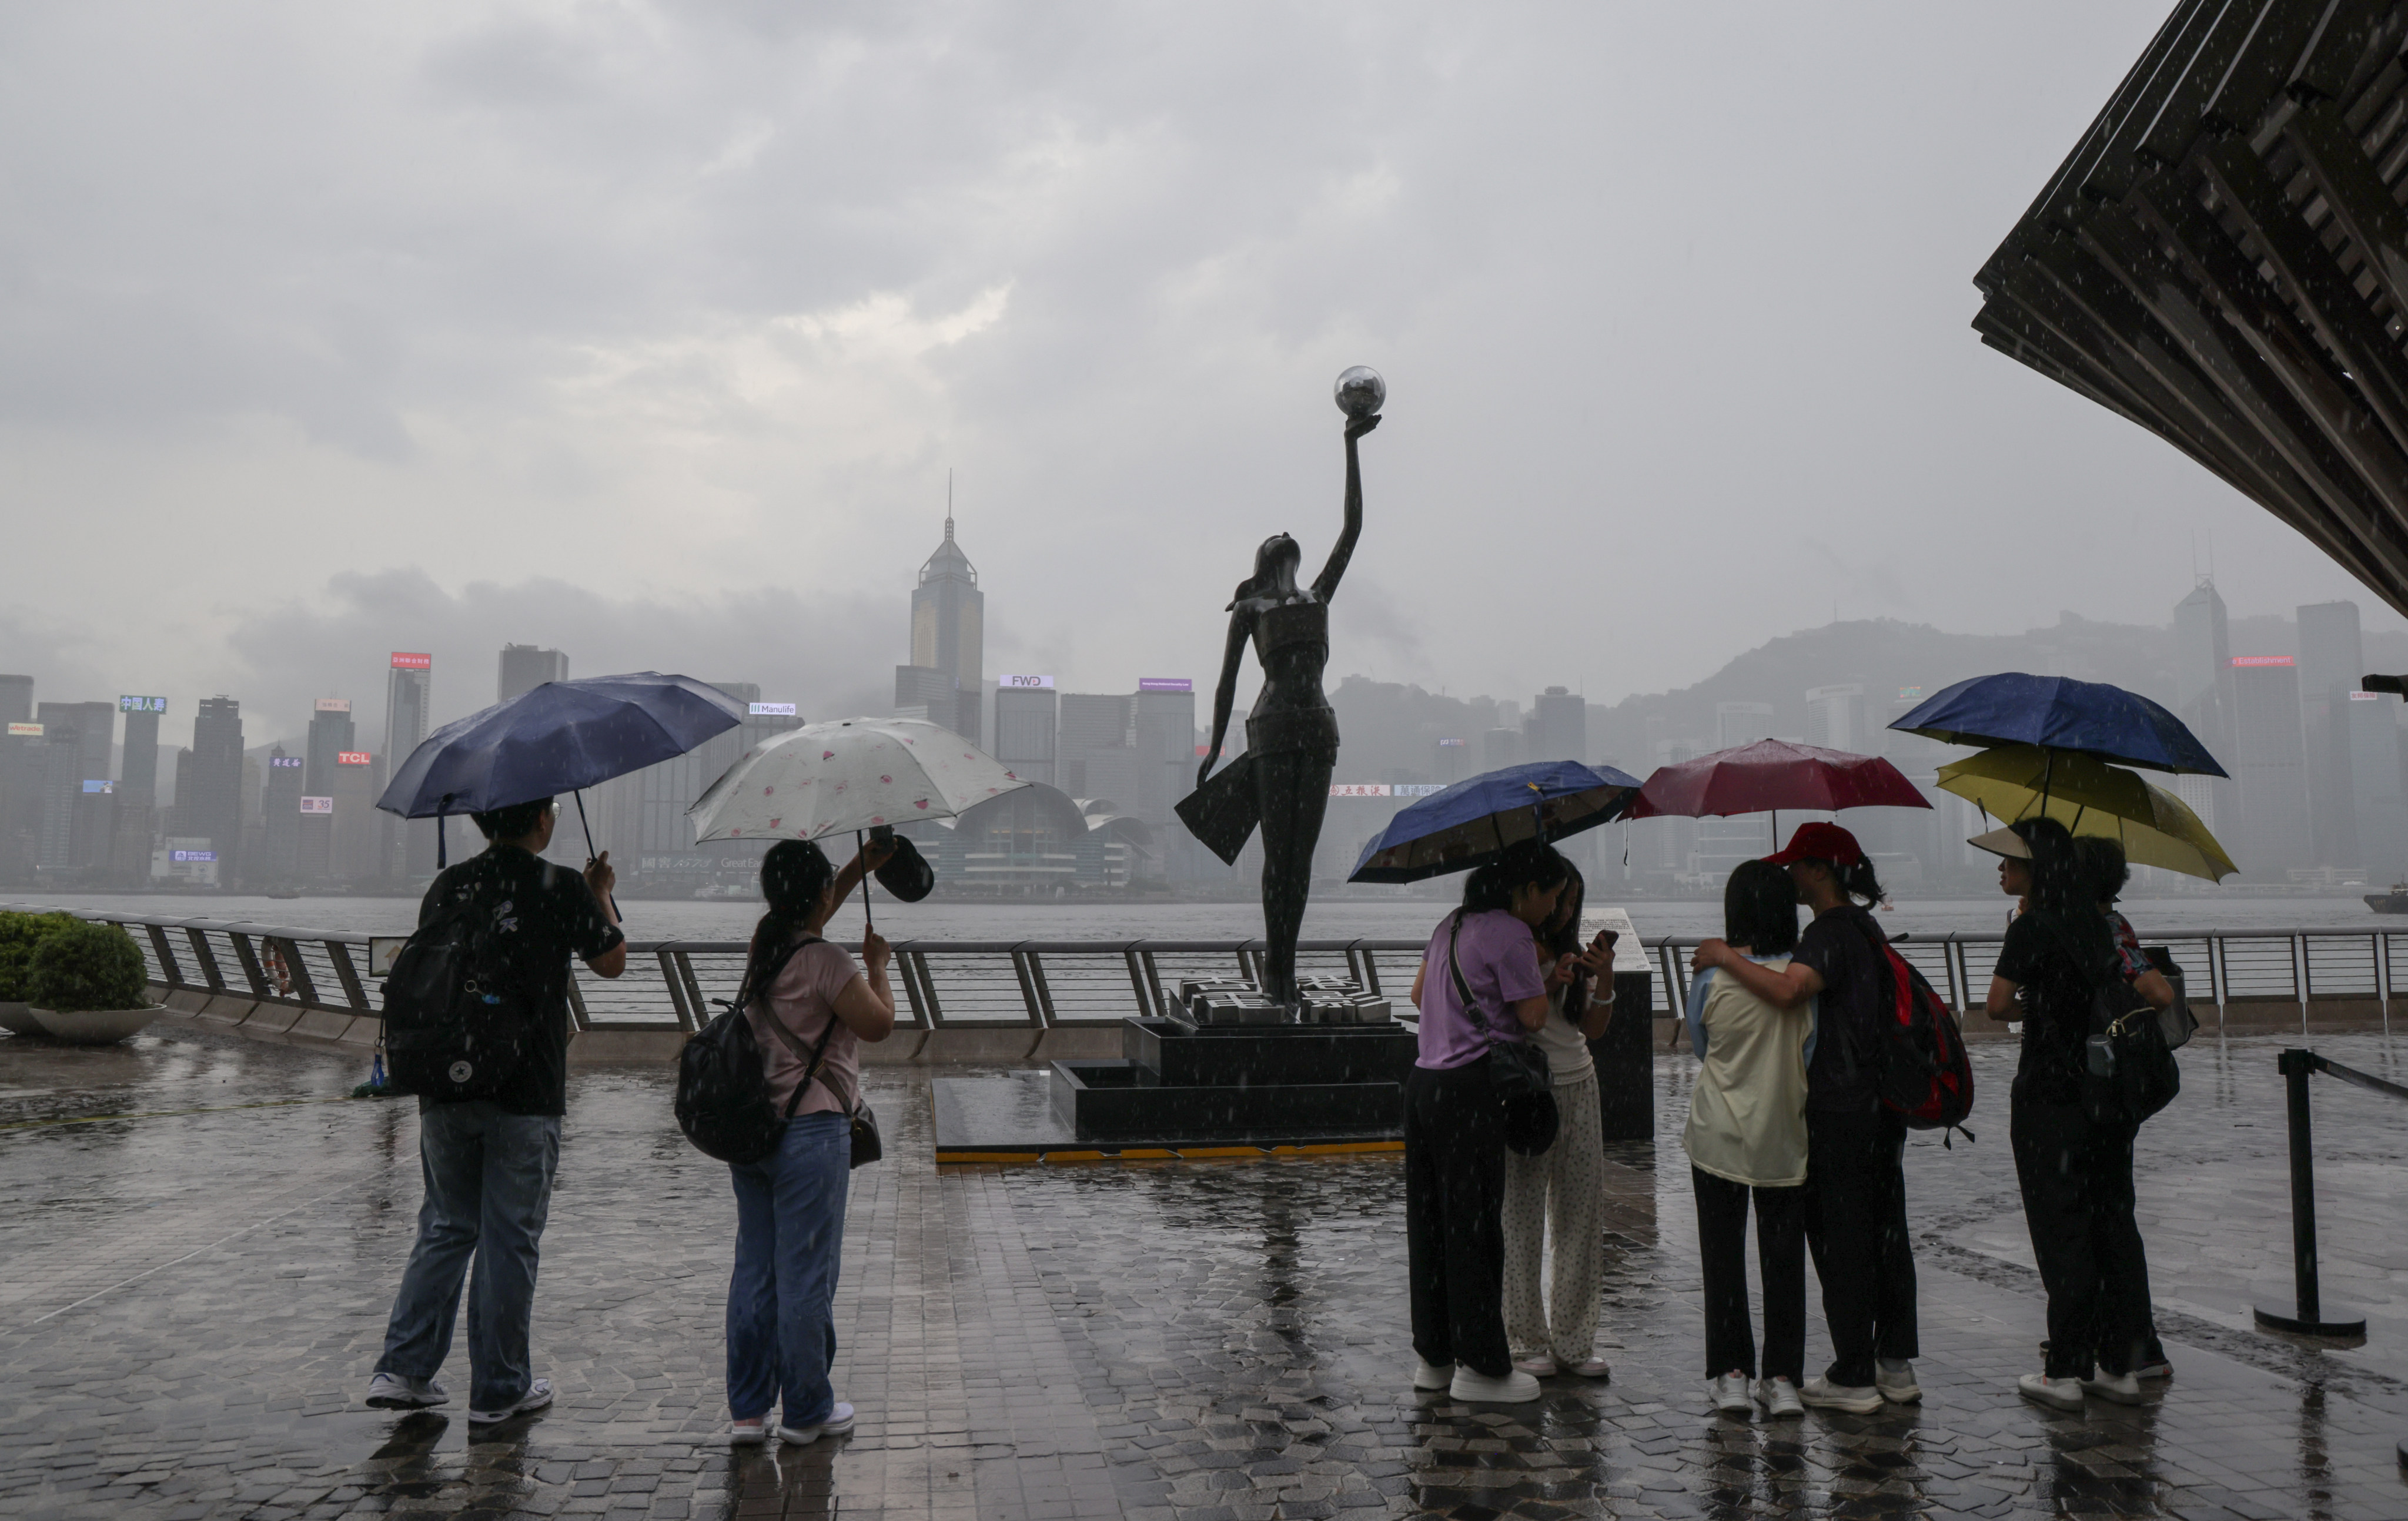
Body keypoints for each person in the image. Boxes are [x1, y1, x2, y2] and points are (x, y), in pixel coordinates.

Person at [364, 797, 627, 1423]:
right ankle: (501, 1387)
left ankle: (403, 1368)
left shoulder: (449, 883)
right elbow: (612, 961)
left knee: (447, 1225)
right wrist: (599, 895)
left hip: (446, 1080)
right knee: (510, 1238)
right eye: (553, 808)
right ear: (540, 820)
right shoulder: (556, 883)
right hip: (524, 1087)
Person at [1691, 821, 1917, 1415]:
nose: (1789, 874)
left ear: (1820, 869)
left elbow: (1782, 997)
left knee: (1836, 1243)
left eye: (1797, 865)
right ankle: (1872, 1364)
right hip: (1870, 1109)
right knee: (1875, 1237)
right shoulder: (1867, 929)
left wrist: (1720, 955)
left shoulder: (1823, 937)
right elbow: (1805, 1024)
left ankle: (1845, 1372)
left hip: (1825, 1115)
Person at [1189, 407, 1378, 1008]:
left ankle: (1286, 966)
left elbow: (1352, 529)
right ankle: (1279, 972)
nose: (1283, 533)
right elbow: (1225, 684)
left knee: (1302, 860)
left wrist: (1350, 446)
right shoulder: (1250, 610)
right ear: (1264, 559)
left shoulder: (1319, 594)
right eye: (1273, 538)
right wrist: (1215, 748)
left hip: (1318, 731)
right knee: (1277, 857)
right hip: (1270, 731)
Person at [724, 836, 899, 1446]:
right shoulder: (828, 960)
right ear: (820, 894)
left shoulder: (764, 946)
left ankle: (748, 1411)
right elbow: (878, 1024)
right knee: (807, 1272)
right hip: (813, 1130)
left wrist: (854, 869)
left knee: (756, 1269)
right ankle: (806, 1410)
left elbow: (807, 913)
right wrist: (877, 964)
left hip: (754, 1128)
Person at [1979, 819, 2151, 1411]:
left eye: (2010, 861)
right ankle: (2117, 1365)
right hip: (2103, 1095)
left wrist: (2034, 998)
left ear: (2036, 868)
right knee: (2106, 1224)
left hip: (2048, 1097)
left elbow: (1997, 1005)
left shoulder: (2030, 927)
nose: (2001, 870)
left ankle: (2065, 1370)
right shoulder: (2096, 924)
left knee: (2062, 1230)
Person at [1402, 840, 1571, 1404]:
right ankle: (1482, 1367)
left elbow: (1420, 994)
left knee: (1429, 1226)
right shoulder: (1513, 934)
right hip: (1471, 1089)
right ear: (1526, 891)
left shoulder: (1449, 924)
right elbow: (1532, 1016)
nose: (1553, 908)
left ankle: (1435, 1357)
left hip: (1424, 1084)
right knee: (1475, 1227)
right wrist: (1547, 983)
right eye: (1551, 895)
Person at [1683, 859, 1817, 1419]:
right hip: (1784, 1137)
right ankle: (1783, 1376)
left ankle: (1731, 1374)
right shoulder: (1803, 981)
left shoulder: (1712, 978)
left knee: (1723, 1256)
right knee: (1784, 1258)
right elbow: (1809, 1054)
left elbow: (1699, 1043)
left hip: (1717, 1135)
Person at [1501, 865, 1617, 1380]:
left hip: (1581, 1085)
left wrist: (1603, 977)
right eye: (1558, 898)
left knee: (1580, 1217)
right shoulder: (1514, 947)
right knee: (1521, 1218)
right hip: (1529, 1092)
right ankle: (1525, 1339)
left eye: (1572, 901)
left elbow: (1591, 1028)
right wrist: (1547, 979)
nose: (1563, 911)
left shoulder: (1573, 956)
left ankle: (1573, 1340)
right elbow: (1506, 1018)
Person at [2073, 836, 2176, 1383]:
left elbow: (2159, 995)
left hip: (2099, 1089)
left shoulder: (2104, 932)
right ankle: (2134, 1343)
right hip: (2117, 1092)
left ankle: (2127, 1345)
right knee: (2115, 1214)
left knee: (2103, 1219)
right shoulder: (2115, 926)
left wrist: (2102, 993)